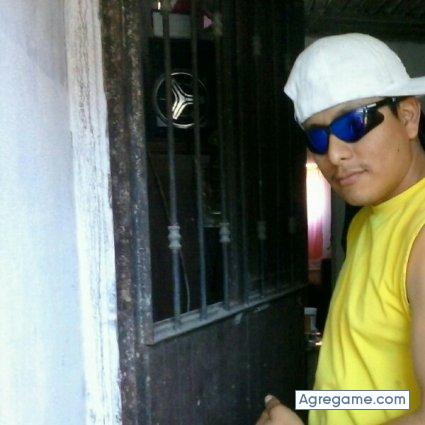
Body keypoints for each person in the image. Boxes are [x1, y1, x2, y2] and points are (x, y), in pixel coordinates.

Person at [256, 33, 425, 424]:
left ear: (408, 117)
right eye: (317, 135)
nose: (333, 154)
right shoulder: (366, 219)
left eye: (353, 123)